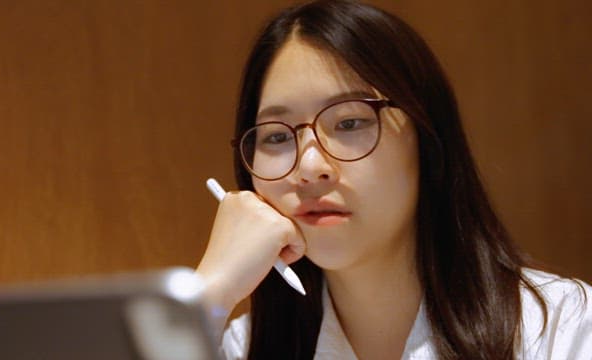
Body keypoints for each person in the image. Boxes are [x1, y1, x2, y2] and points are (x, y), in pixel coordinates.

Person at [195, 0, 592, 359]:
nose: (310, 165)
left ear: (426, 138)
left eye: (350, 122)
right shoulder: (237, 347)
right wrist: (211, 291)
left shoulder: (563, 328)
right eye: (278, 137)